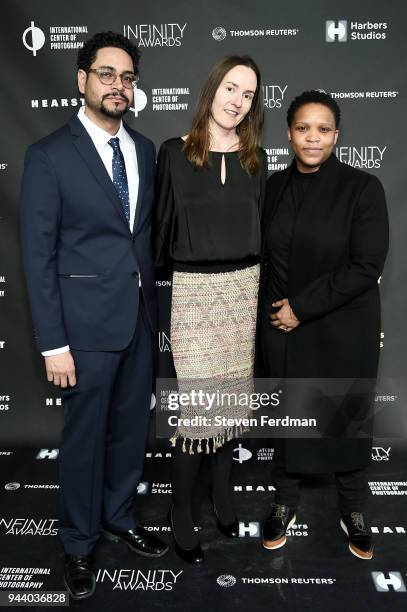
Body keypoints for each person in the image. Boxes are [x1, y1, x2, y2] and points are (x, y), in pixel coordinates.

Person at [20, 31, 168, 601]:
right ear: (81, 80)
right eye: (107, 74)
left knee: (131, 429)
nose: (119, 86)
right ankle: (78, 542)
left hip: (139, 318)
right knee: (85, 438)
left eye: (128, 77)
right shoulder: (50, 154)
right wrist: (52, 342)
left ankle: (120, 516)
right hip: (82, 329)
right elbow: (39, 255)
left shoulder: (146, 150)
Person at [258, 90, 389, 559]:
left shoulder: (362, 188)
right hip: (282, 325)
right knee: (288, 418)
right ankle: (283, 501)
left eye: (323, 129)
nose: (312, 138)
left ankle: (353, 506)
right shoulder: (272, 186)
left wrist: (302, 306)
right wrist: (275, 312)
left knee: (344, 416)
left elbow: (366, 264)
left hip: (341, 324)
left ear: (337, 134)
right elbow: (266, 259)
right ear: (289, 133)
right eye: (302, 128)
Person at [154, 55, 267, 563]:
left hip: (243, 292)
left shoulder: (254, 159)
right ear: (211, 89)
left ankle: (222, 500)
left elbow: (260, 232)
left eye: (247, 95)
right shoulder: (174, 154)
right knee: (199, 412)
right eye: (230, 88)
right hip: (195, 293)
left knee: (231, 408)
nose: (237, 101)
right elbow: (159, 233)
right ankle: (182, 510)